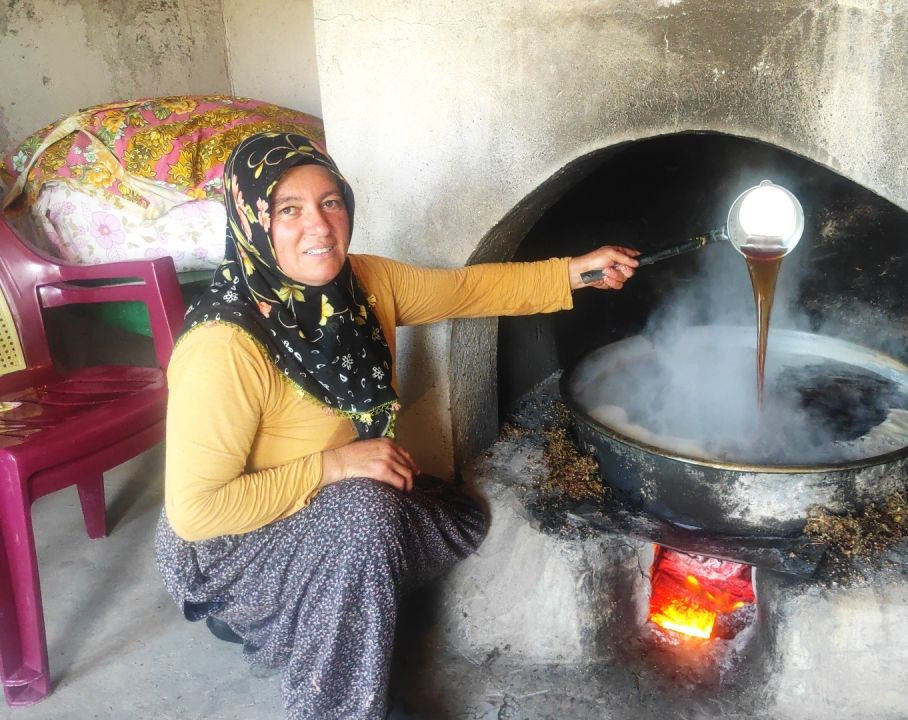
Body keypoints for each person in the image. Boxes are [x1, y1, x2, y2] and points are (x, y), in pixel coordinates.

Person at [153, 132, 637, 719]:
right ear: (251, 222)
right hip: (231, 552)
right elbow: (198, 512)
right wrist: (334, 465)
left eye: (331, 201)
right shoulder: (223, 347)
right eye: (289, 209)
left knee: (441, 515)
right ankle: (336, 699)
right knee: (367, 513)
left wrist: (577, 273)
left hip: (329, 507)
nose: (320, 226)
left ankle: (317, 611)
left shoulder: (362, 285)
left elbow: (467, 289)